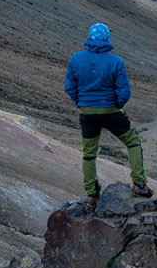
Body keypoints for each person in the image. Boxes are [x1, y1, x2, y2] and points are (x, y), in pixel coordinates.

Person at [64, 22, 152, 203]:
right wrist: (116, 104)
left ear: (90, 37)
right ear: (106, 39)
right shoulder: (115, 61)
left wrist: (82, 104)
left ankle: (92, 192)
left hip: (87, 113)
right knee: (133, 141)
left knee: (89, 153)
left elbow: (69, 87)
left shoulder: (76, 59)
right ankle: (140, 184)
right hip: (111, 111)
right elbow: (124, 91)